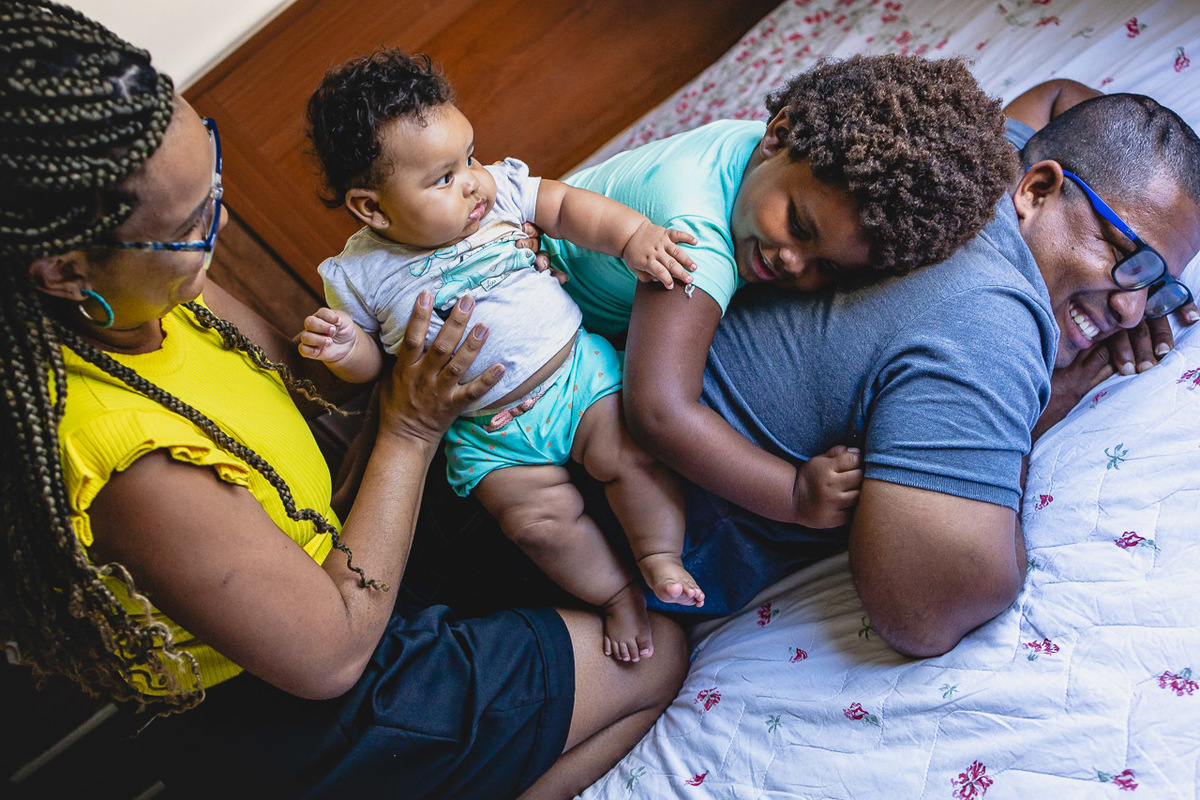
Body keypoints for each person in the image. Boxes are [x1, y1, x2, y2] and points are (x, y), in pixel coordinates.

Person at [0, 4, 687, 799]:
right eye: (192, 223)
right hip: (311, 704)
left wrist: (425, 321)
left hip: (343, 547)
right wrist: (412, 426)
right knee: (659, 656)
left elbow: (318, 385)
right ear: (64, 273)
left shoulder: (155, 294)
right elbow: (330, 657)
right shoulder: (118, 452)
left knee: (593, 544)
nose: (219, 225)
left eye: (213, 181)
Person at [654, 82, 1200, 657]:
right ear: (1038, 188)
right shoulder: (994, 325)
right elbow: (922, 612)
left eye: (1157, 286)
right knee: (652, 668)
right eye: (1128, 257)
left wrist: (1133, 271)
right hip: (616, 537)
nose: (1133, 311)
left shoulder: (978, 168)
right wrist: (1055, 394)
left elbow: (1057, 99)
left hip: (605, 400)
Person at [534, 55, 1020, 613]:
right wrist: (793, 495)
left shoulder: (756, 152)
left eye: (827, 267)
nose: (793, 262)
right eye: (799, 226)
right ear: (779, 134)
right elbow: (658, 412)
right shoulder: (694, 242)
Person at [301, 50, 714, 662]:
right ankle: (615, 593)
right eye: (444, 178)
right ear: (373, 207)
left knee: (628, 454)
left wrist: (632, 237)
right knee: (534, 525)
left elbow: (567, 207)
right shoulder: (358, 274)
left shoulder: (499, 196)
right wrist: (344, 348)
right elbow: (375, 368)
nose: (473, 180)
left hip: (576, 379)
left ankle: (660, 556)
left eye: (469, 157)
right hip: (485, 434)